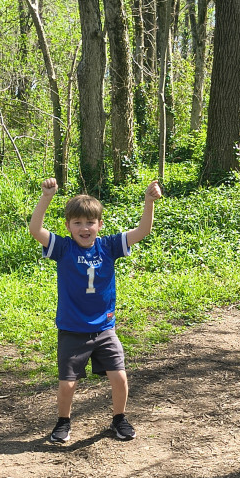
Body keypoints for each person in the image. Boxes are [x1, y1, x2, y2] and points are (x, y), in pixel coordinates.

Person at [28, 177, 161, 444]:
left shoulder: (108, 246)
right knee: (67, 384)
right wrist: (46, 197)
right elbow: (35, 230)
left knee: (119, 377)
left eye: (90, 222)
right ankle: (63, 422)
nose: (84, 228)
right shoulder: (63, 248)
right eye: (77, 222)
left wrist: (149, 202)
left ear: (100, 224)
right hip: (72, 330)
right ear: (68, 226)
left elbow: (142, 231)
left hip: (104, 328)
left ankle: (119, 419)